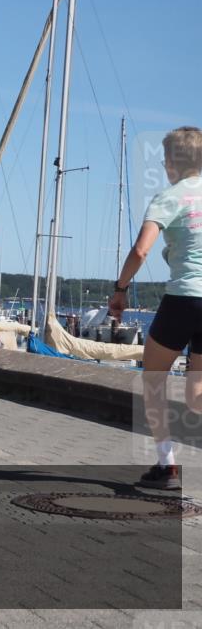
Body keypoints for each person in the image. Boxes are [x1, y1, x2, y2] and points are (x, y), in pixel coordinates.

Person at [110, 126, 202, 491]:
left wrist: (120, 290)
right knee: (197, 398)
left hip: (184, 298)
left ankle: (167, 466)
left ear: (172, 163)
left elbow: (140, 251)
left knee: (153, 380)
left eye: (165, 160)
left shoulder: (169, 197)